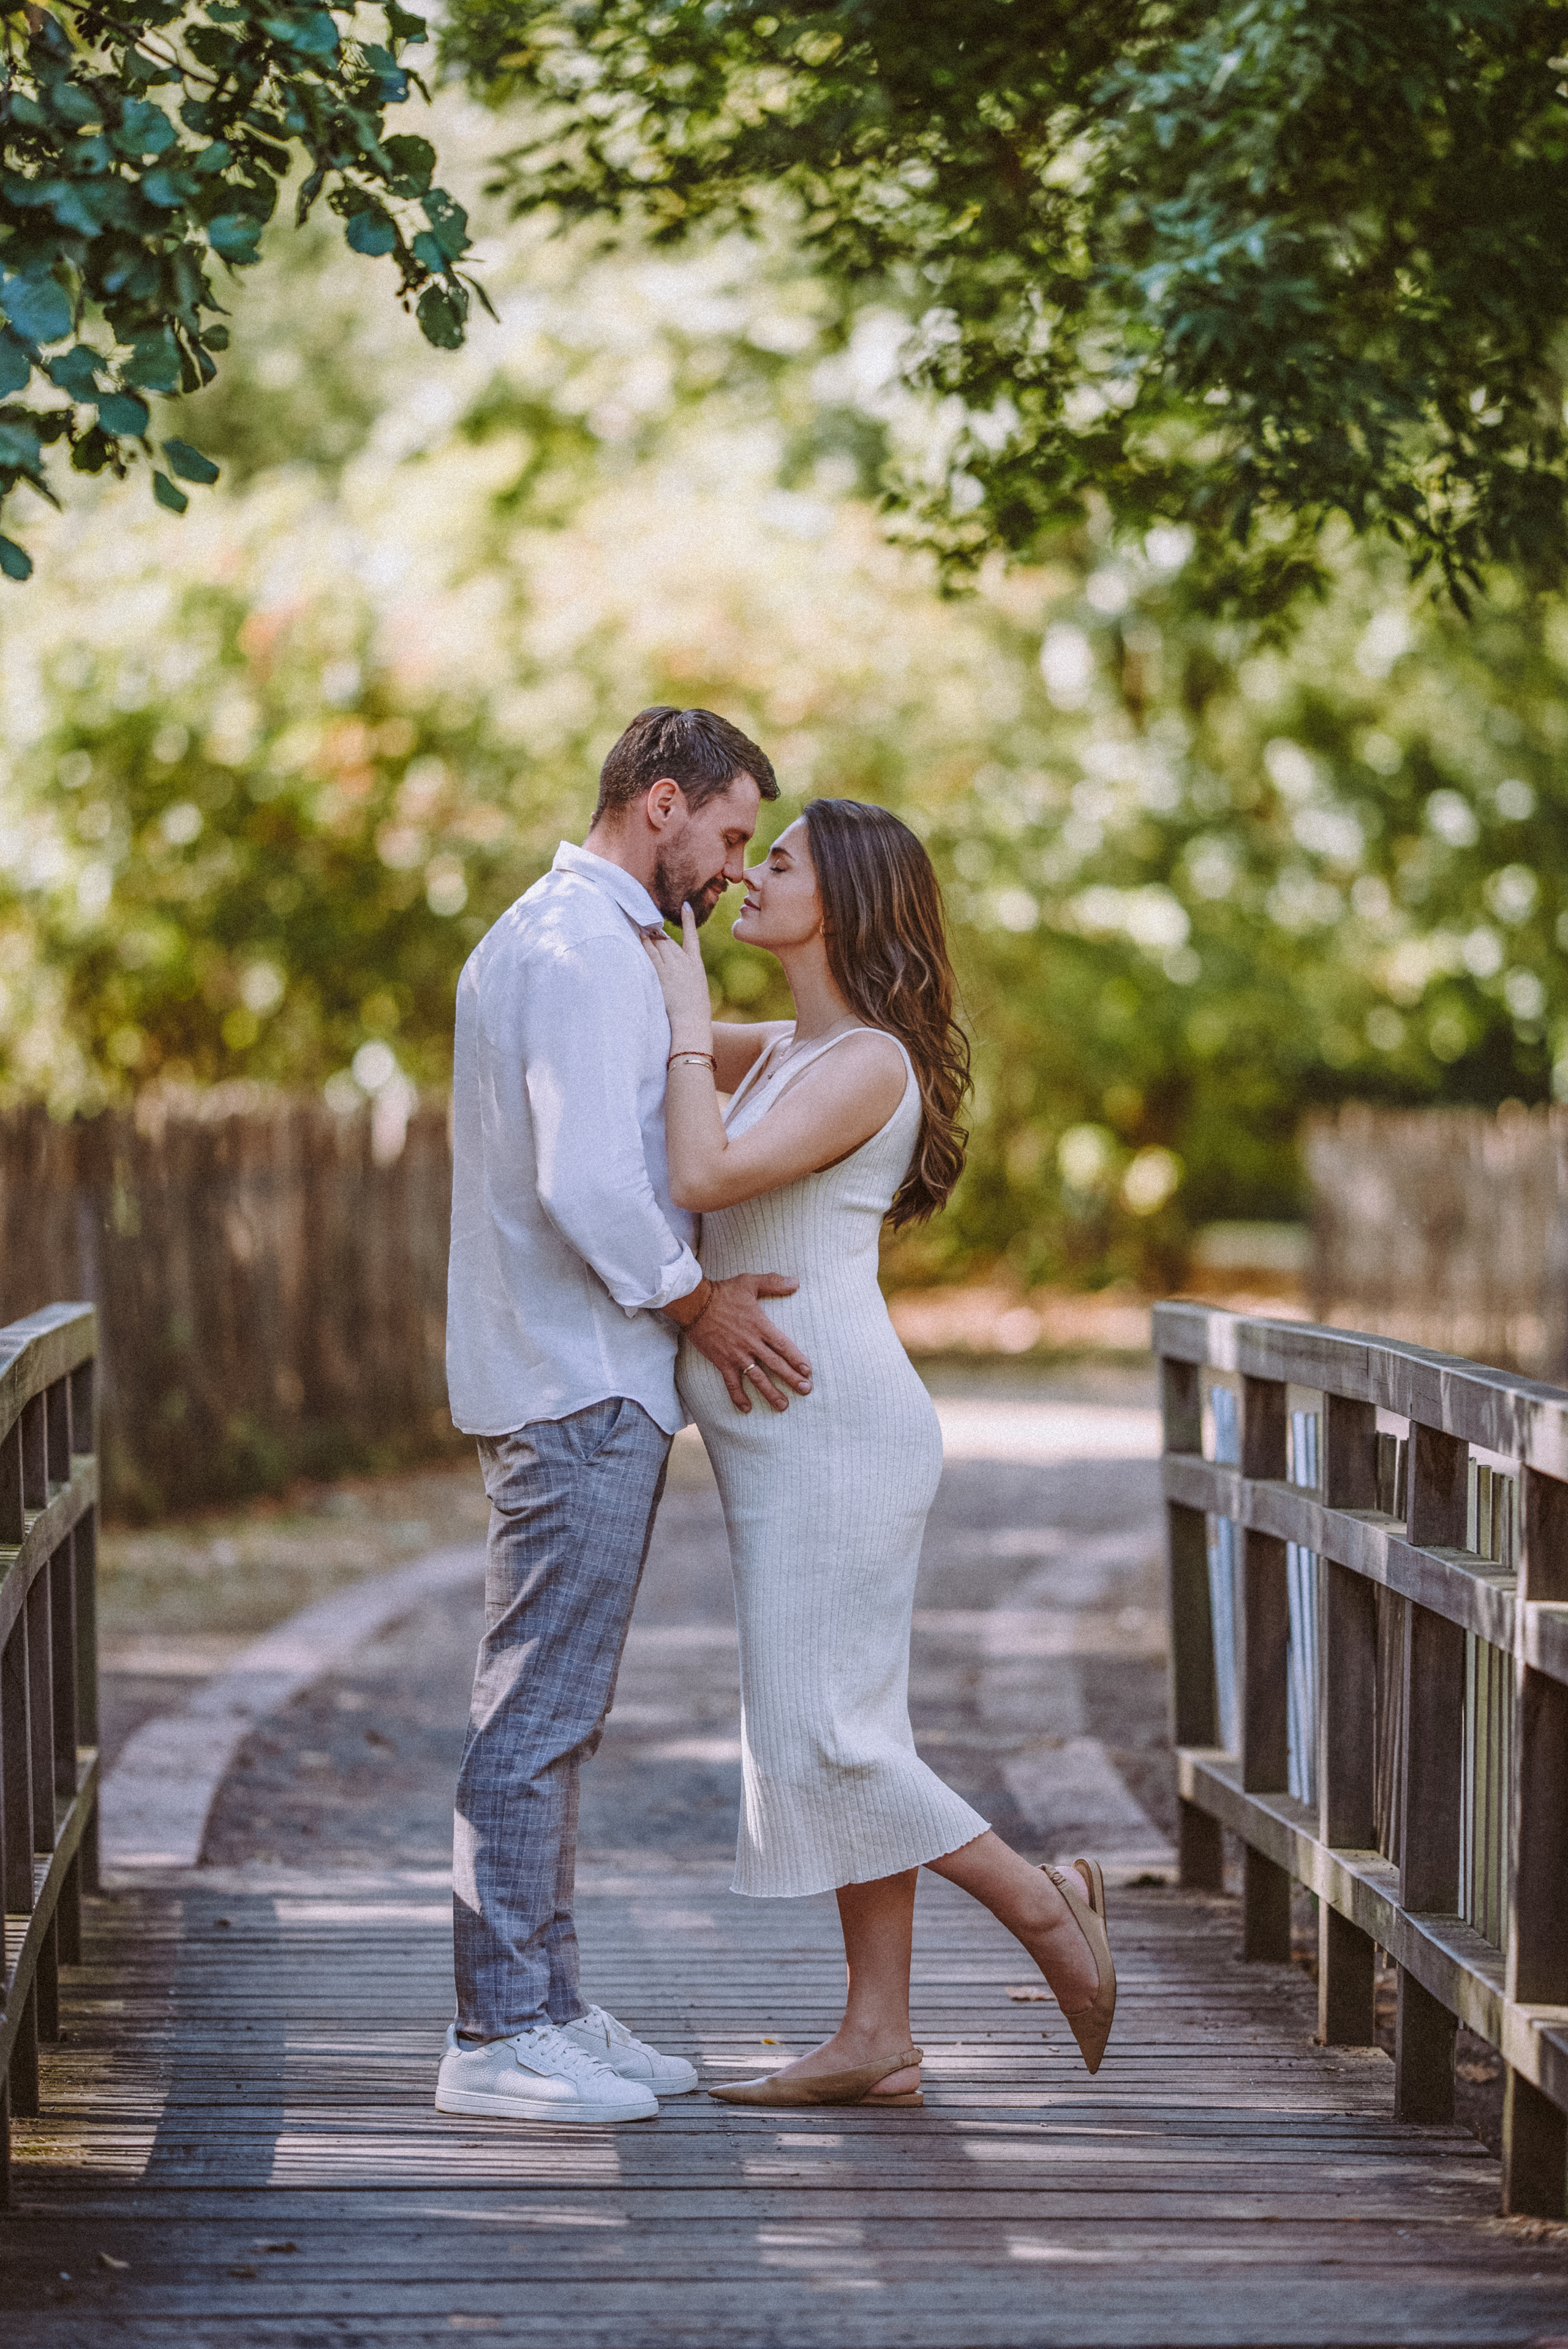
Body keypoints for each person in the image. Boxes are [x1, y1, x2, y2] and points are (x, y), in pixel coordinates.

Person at [642, 797, 1115, 2108]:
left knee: (828, 1740)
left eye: (774, 862)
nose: (744, 879)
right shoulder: (793, 1047)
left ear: (840, 903)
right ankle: (875, 2036)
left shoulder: (864, 1064)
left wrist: (687, 1018)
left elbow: (703, 1169)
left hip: (835, 1430)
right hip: (791, 1438)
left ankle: (1042, 1901)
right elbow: (639, 1044)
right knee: (847, 1724)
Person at [436, 706, 815, 2127]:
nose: (731, 868)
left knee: (557, 1714)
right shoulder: (584, 948)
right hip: (576, 1374)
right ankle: (492, 2036)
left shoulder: (580, 936)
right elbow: (588, 1182)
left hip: (574, 1371)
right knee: (533, 1716)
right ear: (659, 804)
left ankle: (546, 2003)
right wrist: (693, 1303)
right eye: (725, 836)